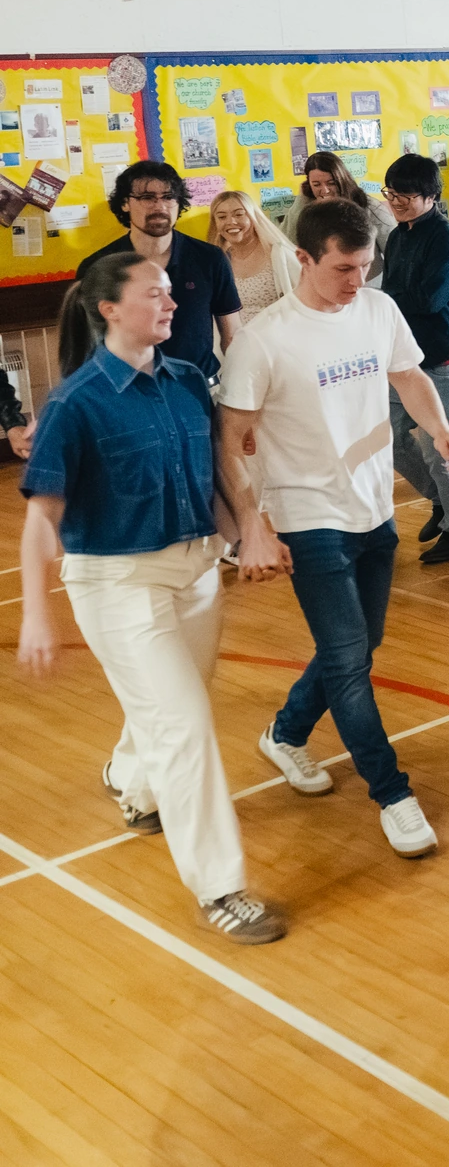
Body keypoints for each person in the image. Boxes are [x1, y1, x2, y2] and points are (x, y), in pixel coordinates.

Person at [15, 252, 286, 945]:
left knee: (171, 709)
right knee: (186, 726)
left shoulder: (190, 380)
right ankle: (221, 887)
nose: (172, 303)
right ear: (109, 308)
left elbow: (222, 470)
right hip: (116, 588)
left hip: (195, 574)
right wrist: (38, 614)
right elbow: (41, 518)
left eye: (172, 294)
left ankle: (132, 783)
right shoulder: (74, 403)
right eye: (156, 294)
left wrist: (251, 529)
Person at [220, 199, 449, 859]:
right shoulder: (263, 338)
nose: (355, 280)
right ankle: (392, 794)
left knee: (364, 643)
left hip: (373, 506)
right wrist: (252, 525)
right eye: (341, 268)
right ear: (302, 259)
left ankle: (286, 731)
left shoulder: (378, 310)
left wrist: (440, 429)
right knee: (348, 662)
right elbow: (233, 435)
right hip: (307, 517)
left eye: (364, 266)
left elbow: (408, 375)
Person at [381, 152, 449, 566]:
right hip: (404, 361)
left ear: (431, 196)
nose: (397, 201)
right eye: (391, 193)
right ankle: (444, 500)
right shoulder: (399, 234)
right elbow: (392, 294)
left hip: (445, 357)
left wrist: (384, 301)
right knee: (389, 440)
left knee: (442, 448)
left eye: (406, 194)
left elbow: (430, 299)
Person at [84, 162, 241, 379]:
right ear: (125, 204)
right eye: (147, 198)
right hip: (129, 393)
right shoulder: (100, 266)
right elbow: (87, 345)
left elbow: (232, 335)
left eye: (168, 197)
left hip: (198, 391)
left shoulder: (210, 258)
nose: (160, 206)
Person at [281, 151, 397, 281]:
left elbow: (395, 250)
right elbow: (286, 242)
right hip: (327, 287)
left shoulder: (369, 206)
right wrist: (302, 199)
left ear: (342, 179)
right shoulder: (308, 209)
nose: (325, 190)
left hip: (367, 284)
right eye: (316, 184)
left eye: (331, 183)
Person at [206, 190, 296, 323]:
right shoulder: (217, 263)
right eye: (222, 217)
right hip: (236, 342)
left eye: (239, 214)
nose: (231, 221)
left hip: (277, 340)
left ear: (253, 217)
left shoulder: (280, 254)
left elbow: (310, 301)